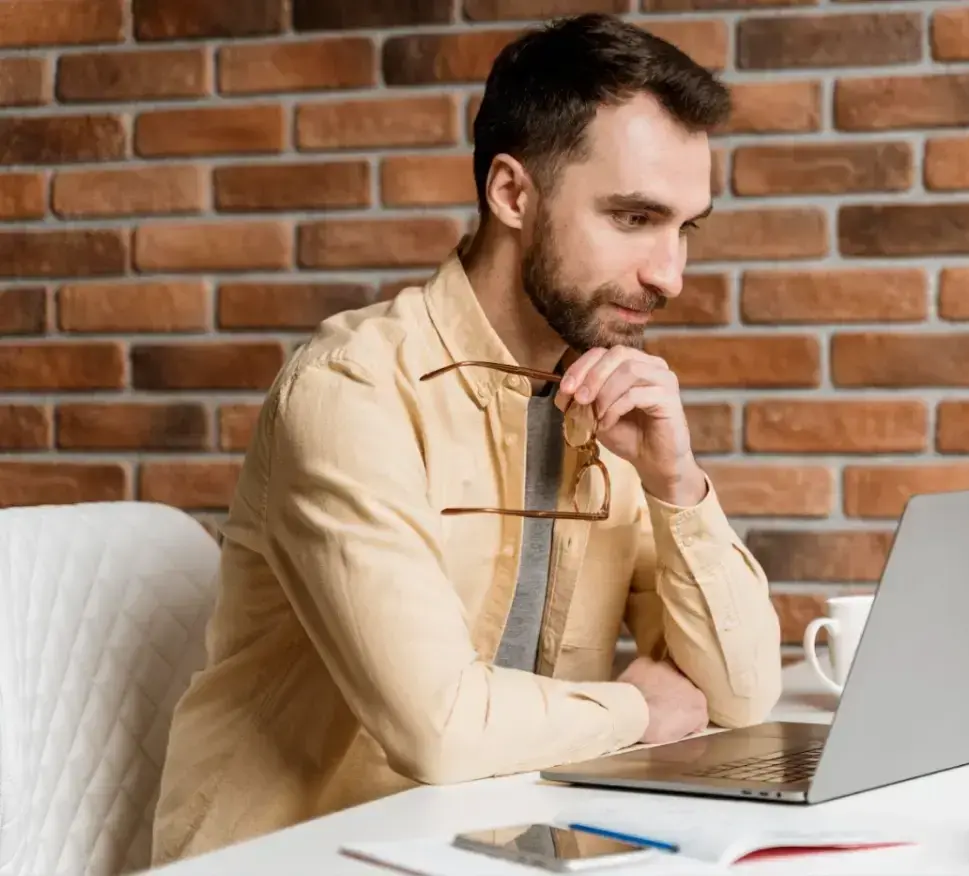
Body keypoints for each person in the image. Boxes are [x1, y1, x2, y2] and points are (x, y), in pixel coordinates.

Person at [150, 12, 783, 866]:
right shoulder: (352, 390)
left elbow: (742, 696)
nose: (669, 274)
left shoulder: (604, 401)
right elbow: (439, 728)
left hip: (496, 850)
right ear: (512, 194)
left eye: (685, 228)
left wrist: (677, 484)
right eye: (634, 218)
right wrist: (639, 711)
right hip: (300, 858)